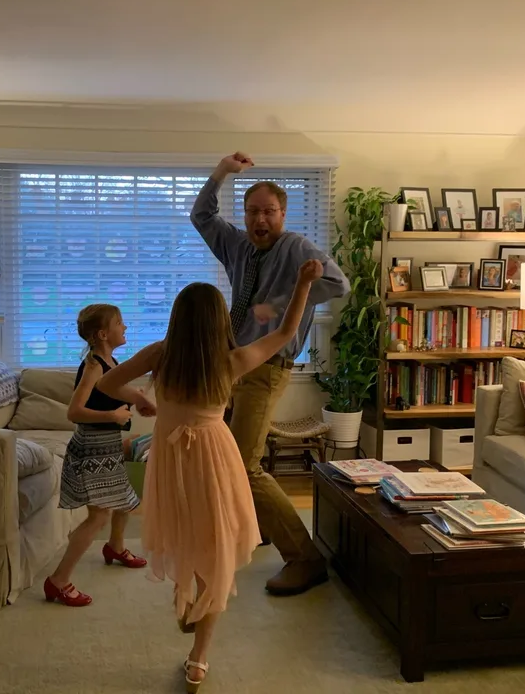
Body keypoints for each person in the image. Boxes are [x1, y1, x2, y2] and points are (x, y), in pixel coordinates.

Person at [96, 260, 324, 692]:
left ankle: (188, 598)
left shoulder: (160, 355)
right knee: (214, 546)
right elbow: (284, 334)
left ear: (177, 318)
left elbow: (107, 385)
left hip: (171, 457)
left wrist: (141, 402)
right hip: (215, 456)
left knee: (183, 534)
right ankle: (199, 655)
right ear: (221, 321)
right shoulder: (232, 360)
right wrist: (303, 284)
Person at [190, 152, 350, 596]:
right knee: (222, 454)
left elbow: (338, 284)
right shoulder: (237, 245)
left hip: (268, 367)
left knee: (245, 463)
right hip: (231, 365)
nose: (261, 219)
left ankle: (305, 558)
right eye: (253, 211)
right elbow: (201, 214)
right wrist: (221, 172)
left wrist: (279, 303)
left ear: (282, 214)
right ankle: (254, 528)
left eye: (269, 212)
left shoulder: (296, 247)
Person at [43, 304, 157, 607]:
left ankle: (116, 547)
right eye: (120, 323)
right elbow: (74, 411)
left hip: (105, 447)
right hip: (91, 448)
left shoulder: (110, 360)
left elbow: (120, 391)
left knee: (125, 498)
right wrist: (112, 416)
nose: (126, 327)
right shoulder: (94, 365)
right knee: (98, 516)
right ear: (103, 334)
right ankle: (58, 581)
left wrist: (142, 397)